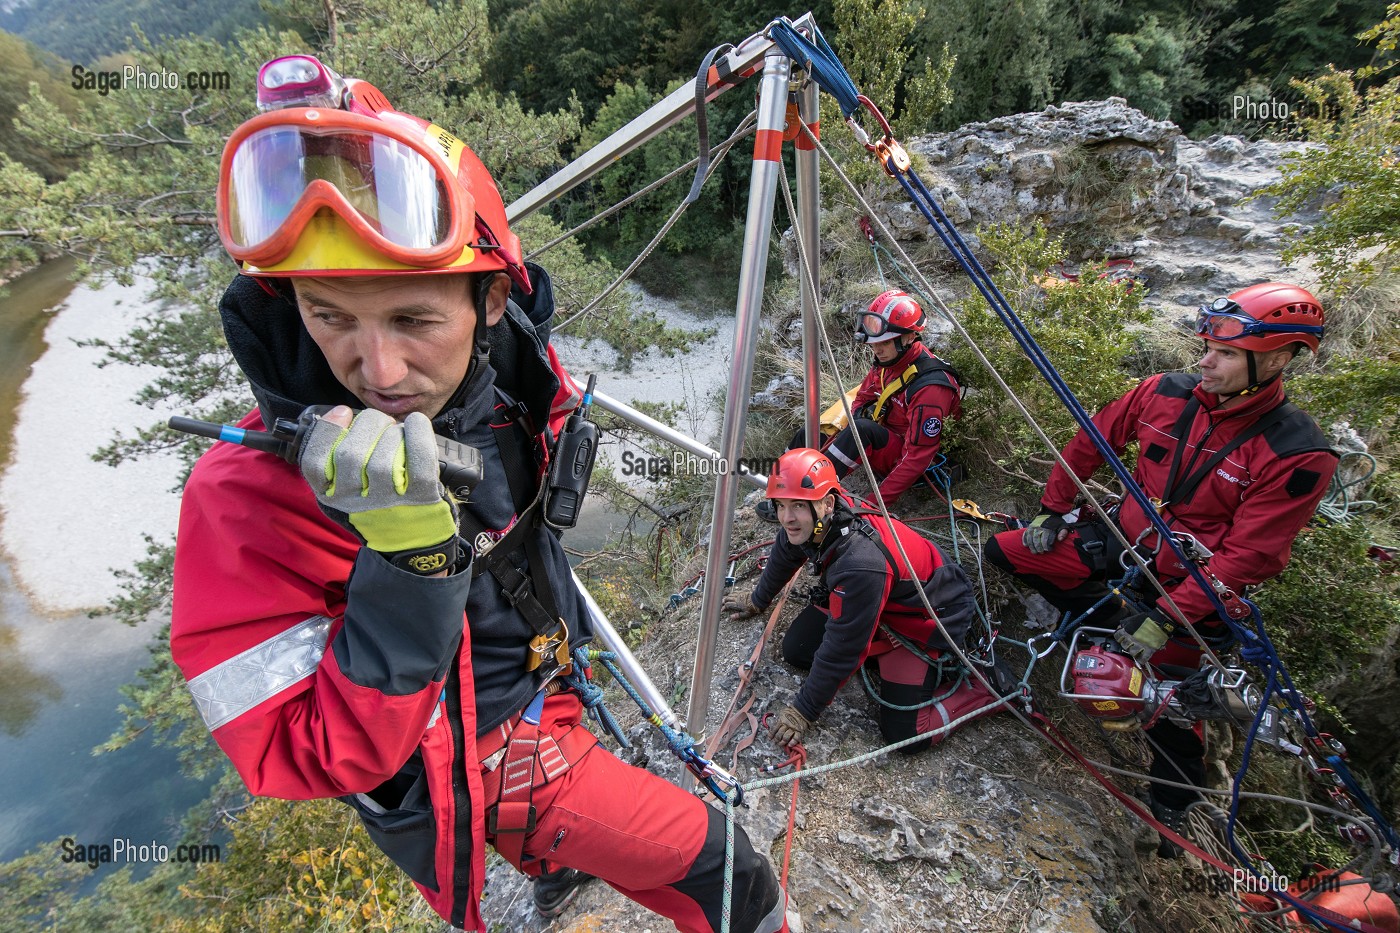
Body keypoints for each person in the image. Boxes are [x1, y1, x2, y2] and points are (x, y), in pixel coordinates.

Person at [169, 55, 791, 933]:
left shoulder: (507, 381)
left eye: (414, 319)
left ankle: (556, 869)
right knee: (727, 868)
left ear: (491, 299)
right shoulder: (247, 493)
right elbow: (299, 754)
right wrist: (410, 567)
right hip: (492, 760)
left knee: (653, 859)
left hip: (546, 683)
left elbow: (530, 489)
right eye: (329, 315)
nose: (378, 372)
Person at [982, 281, 1338, 853]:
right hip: (1120, 548)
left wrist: (1169, 618)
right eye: (1207, 347)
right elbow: (1089, 441)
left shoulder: (1296, 451)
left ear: (1273, 359)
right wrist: (1054, 508)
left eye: (1224, 353)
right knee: (1008, 550)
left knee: (1167, 708)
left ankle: (1172, 812)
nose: (1205, 361)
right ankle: (1100, 620)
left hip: (1186, 591)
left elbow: (1249, 555)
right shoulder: (1162, 394)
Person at [725, 448, 983, 752]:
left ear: (828, 503)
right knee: (798, 649)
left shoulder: (859, 562)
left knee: (906, 734)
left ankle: (982, 687)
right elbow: (787, 548)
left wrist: (803, 712)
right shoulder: (824, 514)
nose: (786, 518)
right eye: (780, 505)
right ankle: (875, 639)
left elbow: (843, 648)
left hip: (927, 617)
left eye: (796, 506)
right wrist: (758, 599)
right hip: (883, 599)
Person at [769, 290, 962, 518]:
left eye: (885, 342)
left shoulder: (930, 389)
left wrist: (872, 505)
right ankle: (778, 488)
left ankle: (807, 499)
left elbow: (916, 459)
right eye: (874, 343)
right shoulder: (889, 361)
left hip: (910, 462)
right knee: (809, 433)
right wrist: (859, 414)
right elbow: (863, 395)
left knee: (861, 431)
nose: (876, 349)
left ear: (909, 337)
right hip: (884, 438)